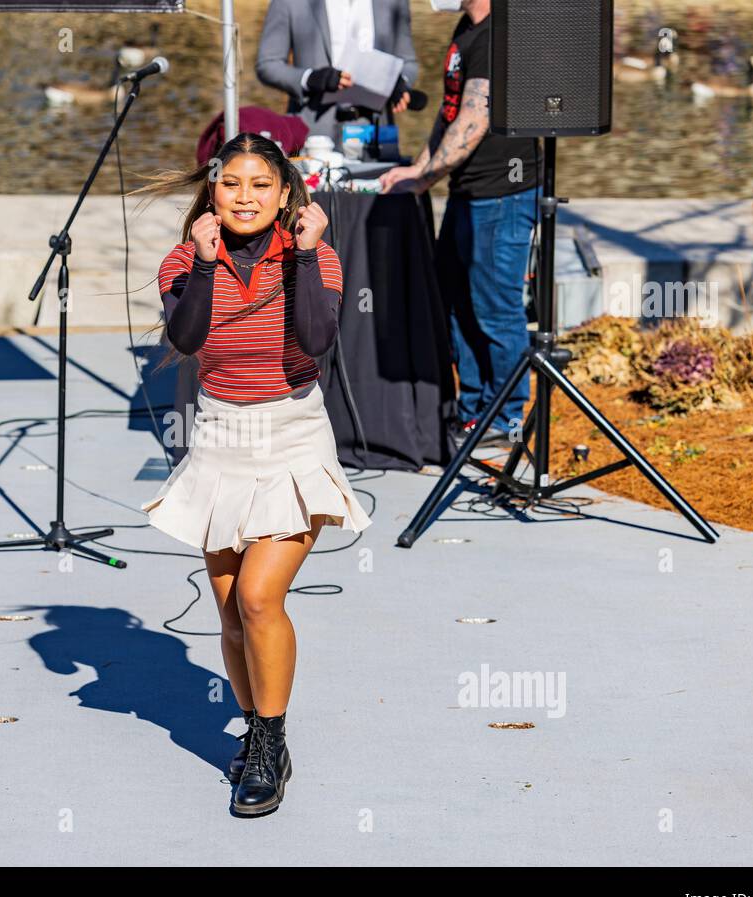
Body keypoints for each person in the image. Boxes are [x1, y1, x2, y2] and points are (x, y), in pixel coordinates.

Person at [135, 133, 373, 817]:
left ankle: (269, 743)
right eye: (231, 183)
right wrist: (208, 266)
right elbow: (186, 339)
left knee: (262, 596)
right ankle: (255, 724)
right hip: (218, 440)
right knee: (230, 605)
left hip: (292, 436)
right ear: (212, 192)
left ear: (286, 193)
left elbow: (318, 340)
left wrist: (301, 253)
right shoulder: (184, 259)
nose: (245, 196)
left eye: (260, 184)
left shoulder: (316, 257)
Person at [379, 0, 539, 447]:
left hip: (503, 194)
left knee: (494, 308)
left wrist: (425, 176)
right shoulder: (467, 28)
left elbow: (476, 117)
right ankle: (474, 414)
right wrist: (419, 168)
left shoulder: (500, 31)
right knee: (456, 302)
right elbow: (450, 113)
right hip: (468, 192)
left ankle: (504, 420)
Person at [256, 0, 419, 145]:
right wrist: (309, 78)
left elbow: (408, 63)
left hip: (376, 133)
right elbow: (268, 64)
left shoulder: (395, 2)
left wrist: (398, 81)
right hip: (313, 133)